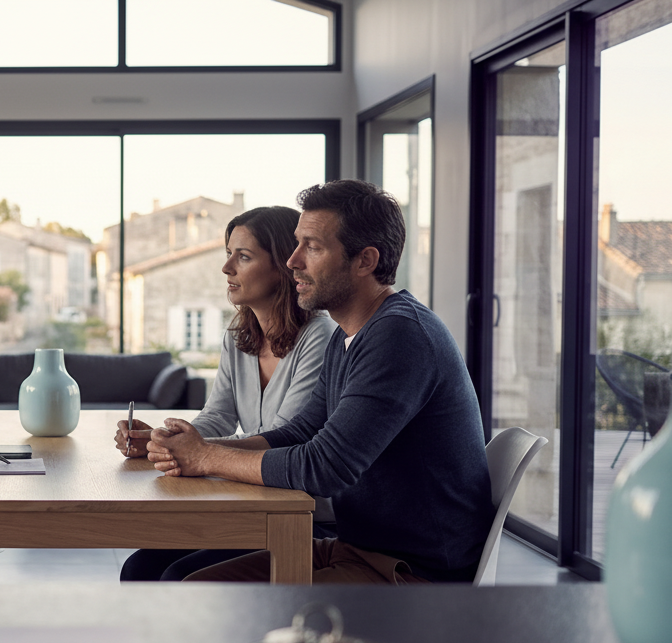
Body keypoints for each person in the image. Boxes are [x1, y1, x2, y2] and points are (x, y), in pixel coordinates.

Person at [148, 179, 493, 584]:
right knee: (176, 577)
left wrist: (206, 458)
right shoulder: (350, 335)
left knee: (196, 592)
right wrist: (193, 449)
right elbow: (299, 433)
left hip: (412, 571)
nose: (293, 261)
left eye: (311, 247)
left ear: (365, 261)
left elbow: (324, 467)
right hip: (355, 547)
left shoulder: (400, 335)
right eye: (297, 244)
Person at [115, 206, 337, 581]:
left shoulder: (320, 336)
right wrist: (164, 440)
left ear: (284, 266)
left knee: (176, 577)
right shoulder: (238, 336)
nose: (226, 268)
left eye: (243, 256)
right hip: (252, 500)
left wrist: (192, 450)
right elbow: (217, 416)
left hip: (304, 513)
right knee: (139, 568)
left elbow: (285, 436)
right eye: (228, 254)